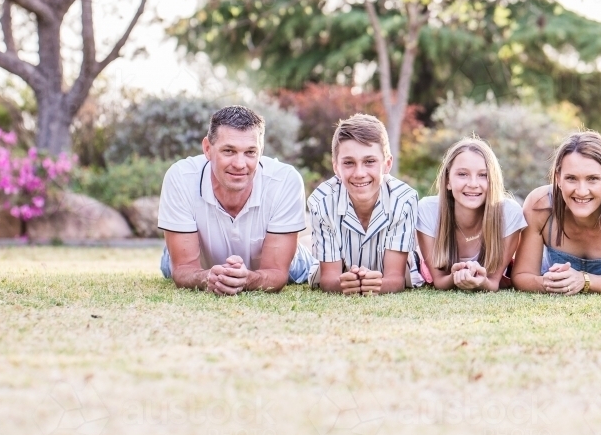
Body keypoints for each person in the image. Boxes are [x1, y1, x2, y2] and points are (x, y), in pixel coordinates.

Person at [157, 105, 316, 295]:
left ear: (261, 151)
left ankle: (303, 243)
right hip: (200, 261)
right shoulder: (181, 177)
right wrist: (207, 277)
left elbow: (277, 273)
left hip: (279, 261)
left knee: (303, 265)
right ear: (207, 149)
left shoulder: (285, 180)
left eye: (250, 152)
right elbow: (184, 269)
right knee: (170, 268)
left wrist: (247, 279)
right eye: (229, 151)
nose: (240, 164)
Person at [512, 131, 601, 295]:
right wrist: (548, 283)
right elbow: (522, 276)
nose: (581, 191)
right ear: (558, 178)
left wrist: (583, 280)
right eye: (571, 178)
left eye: (593, 178)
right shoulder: (540, 205)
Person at [308, 114, 423, 294]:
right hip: (343, 274)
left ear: (387, 164)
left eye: (369, 162)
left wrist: (375, 285)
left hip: (386, 273)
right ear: (336, 167)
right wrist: (344, 284)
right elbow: (329, 278)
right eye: (348, 163)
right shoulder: (322, 202)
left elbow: (395, 278)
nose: (359, 173)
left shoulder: (403, 201)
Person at [416, 137, 526, 291]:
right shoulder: (428, 210)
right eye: (462, 174)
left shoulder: (509, 213)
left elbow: (493, 283)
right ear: (448, 180)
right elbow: (440, 282)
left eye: (483, 175)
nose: (473, 184)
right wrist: (455, 277)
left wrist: (482, 281)